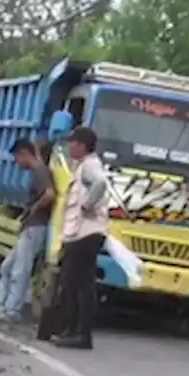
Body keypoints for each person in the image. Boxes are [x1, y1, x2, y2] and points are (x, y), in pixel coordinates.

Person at [55, 126, 110, 350]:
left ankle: (82, 334)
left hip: (86, 233)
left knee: (82, 285)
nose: (69, 147)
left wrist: (87, 205)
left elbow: (100, 184)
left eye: (73, 143)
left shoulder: (89, 166)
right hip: (78, 233)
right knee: (71, 283)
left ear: (82, 145)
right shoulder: (82, 167)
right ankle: (70, 329)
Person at [0, 138, 55, 323]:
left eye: (17, 158)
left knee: (20, 270)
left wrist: (34, 208)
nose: (16, 163)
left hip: (36, 227)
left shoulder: (40, 172)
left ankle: (11, 312)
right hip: (29, 226)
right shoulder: (39, 171)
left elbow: (49, 194)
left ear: (24, 154)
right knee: (7, 268)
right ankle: (2, 310)